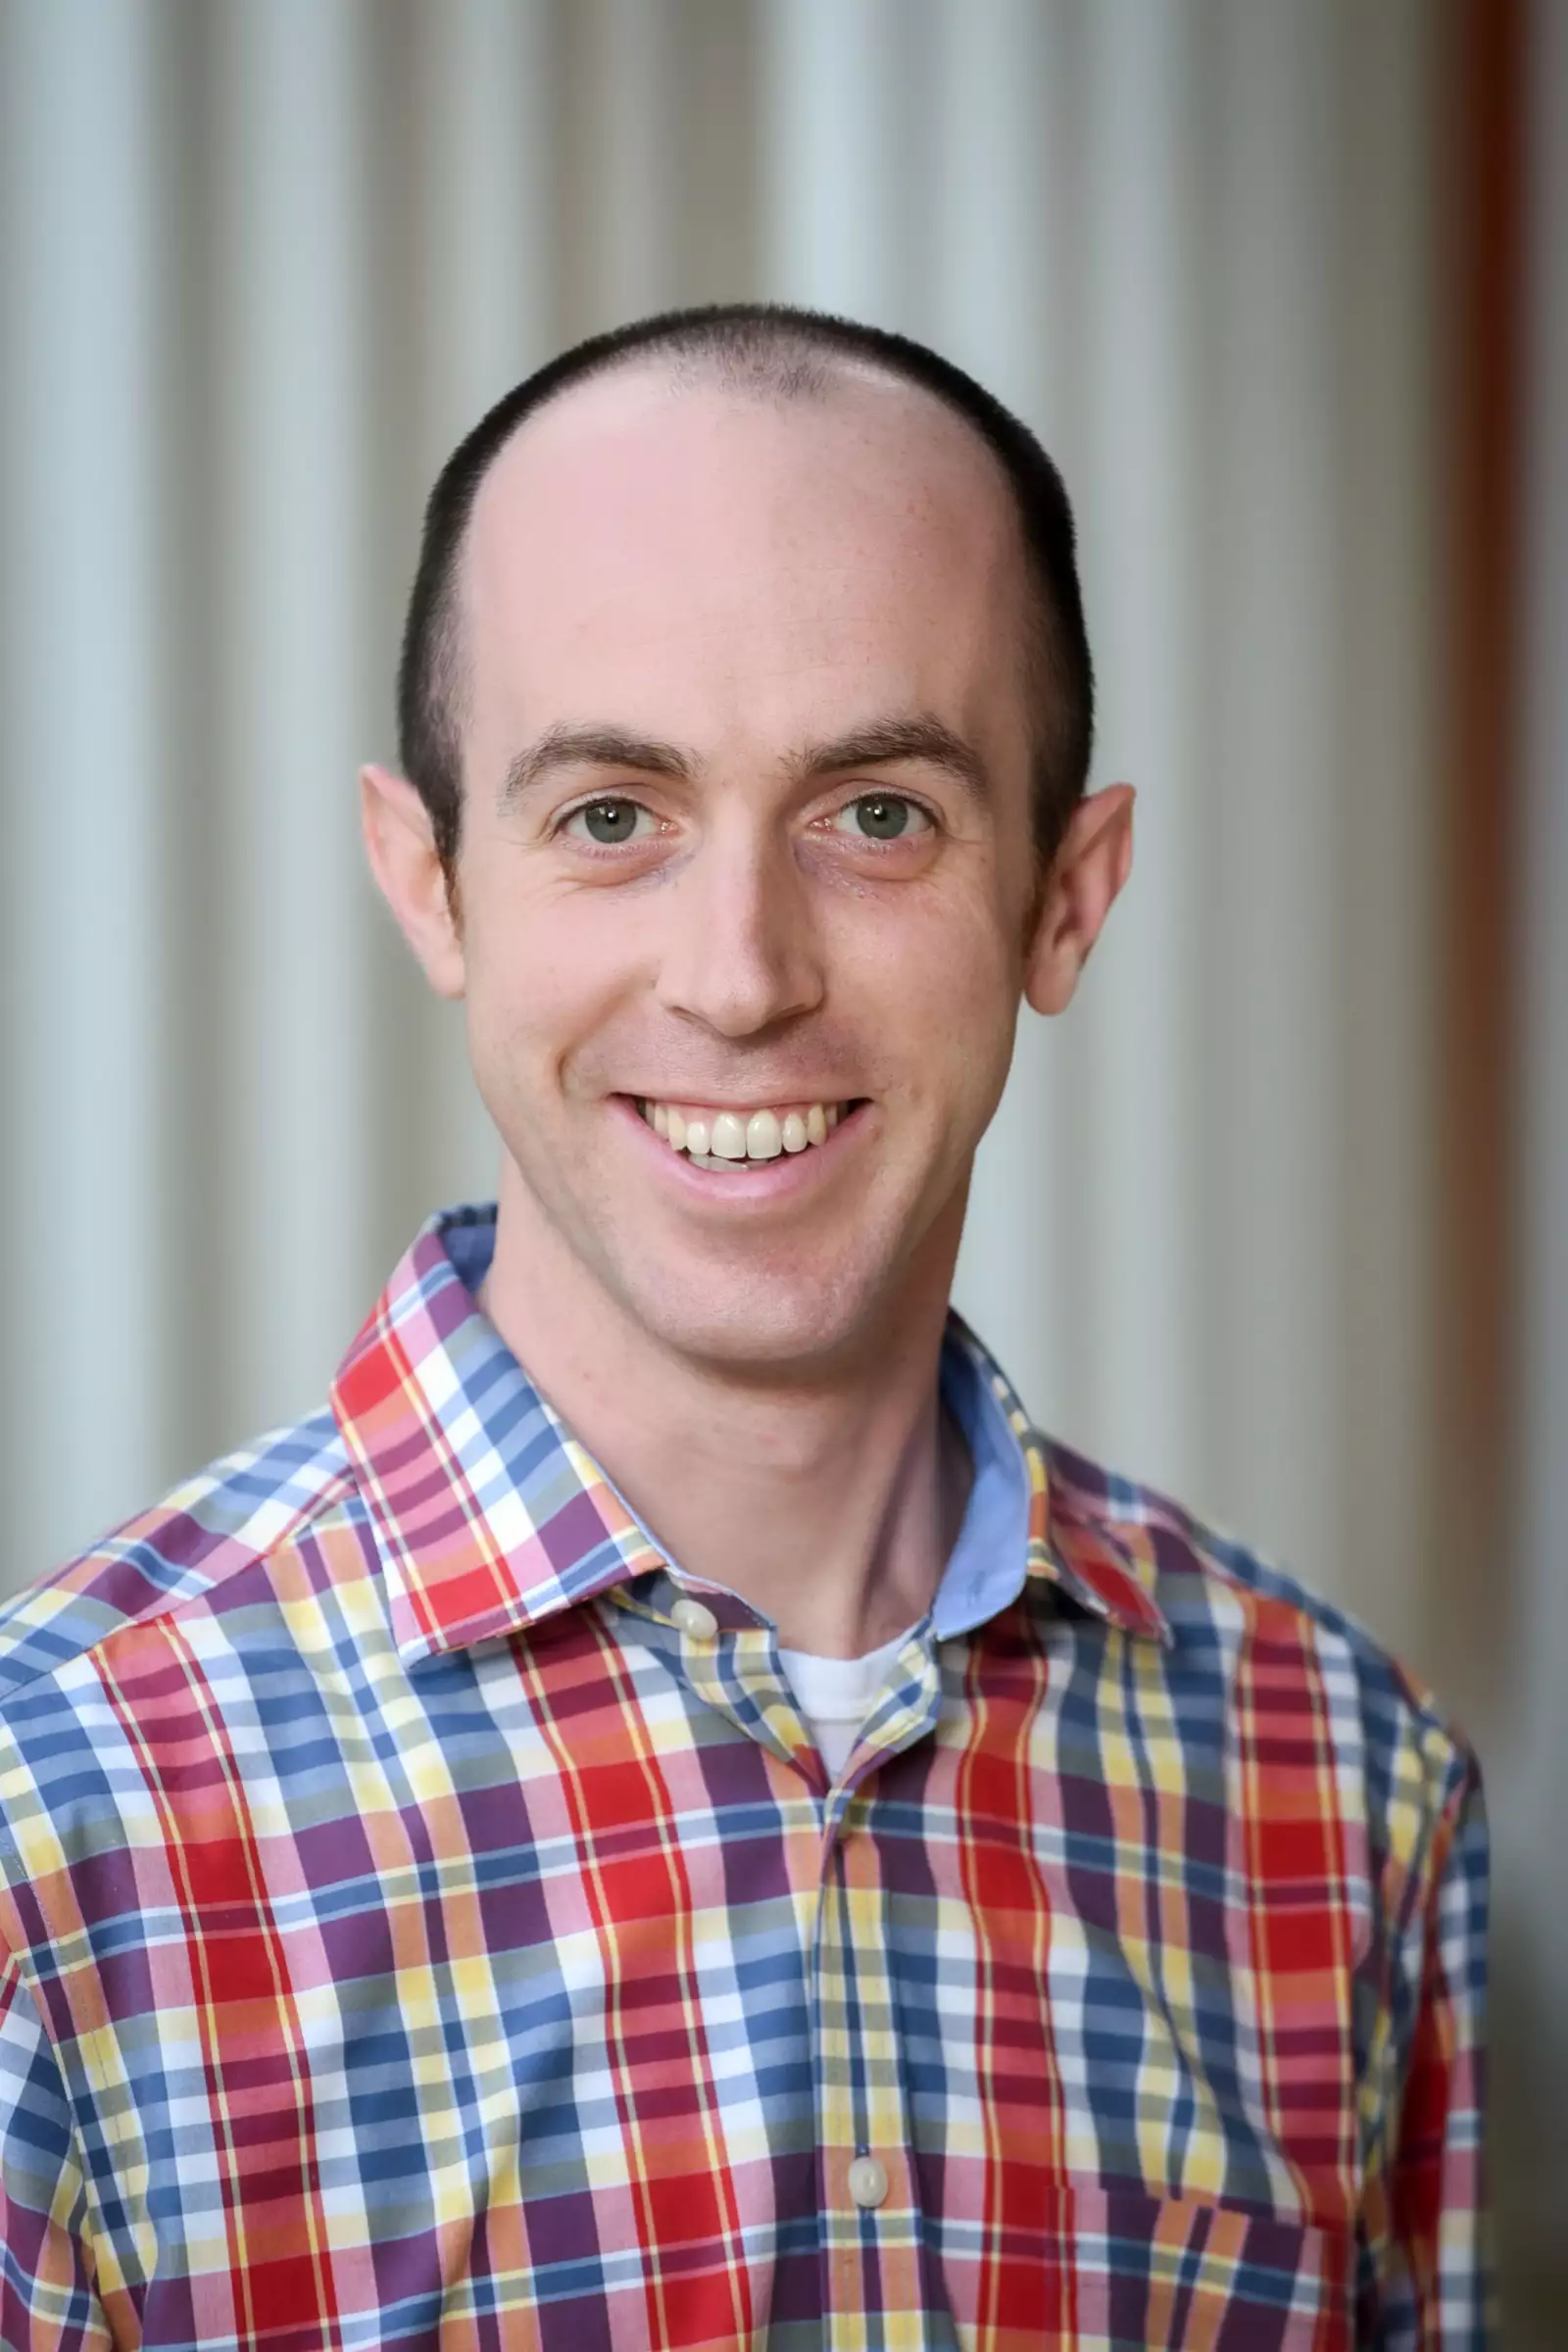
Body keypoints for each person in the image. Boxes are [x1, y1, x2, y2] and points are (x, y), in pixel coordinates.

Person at [0, 306, 1488, 2350]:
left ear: (1066, 896)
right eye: (611, 815)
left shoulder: (1348, 1790)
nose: (740, 975)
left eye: (875, 813)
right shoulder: (52, 1828)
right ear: (428, 882)